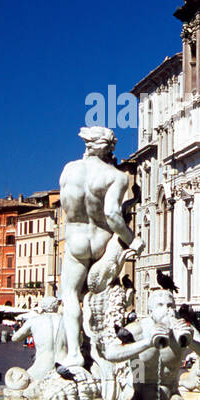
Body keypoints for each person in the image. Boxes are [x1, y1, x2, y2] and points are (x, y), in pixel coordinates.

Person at [58, 126, 144, 366]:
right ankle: (106, 350)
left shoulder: (69, 170)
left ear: (87, 145)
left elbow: (67, 207)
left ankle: (75, 353)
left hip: (75, 241)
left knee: (71, 296)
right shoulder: (116, 176)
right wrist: (133, 239)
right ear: (110, 148)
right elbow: (113, 215)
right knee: (108, 296)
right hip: (102, 242)